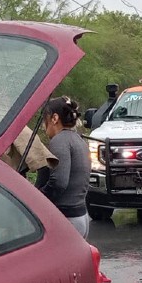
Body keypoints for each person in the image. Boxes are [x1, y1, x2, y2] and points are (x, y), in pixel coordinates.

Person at [39, 96, 91, 238]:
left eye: (45, 119)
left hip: (66, 218)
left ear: (54, 118)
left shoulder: (60, 141)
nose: (44, 126)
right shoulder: (79, 140)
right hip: (80, 216)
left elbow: (59, 182)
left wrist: (37, 198)